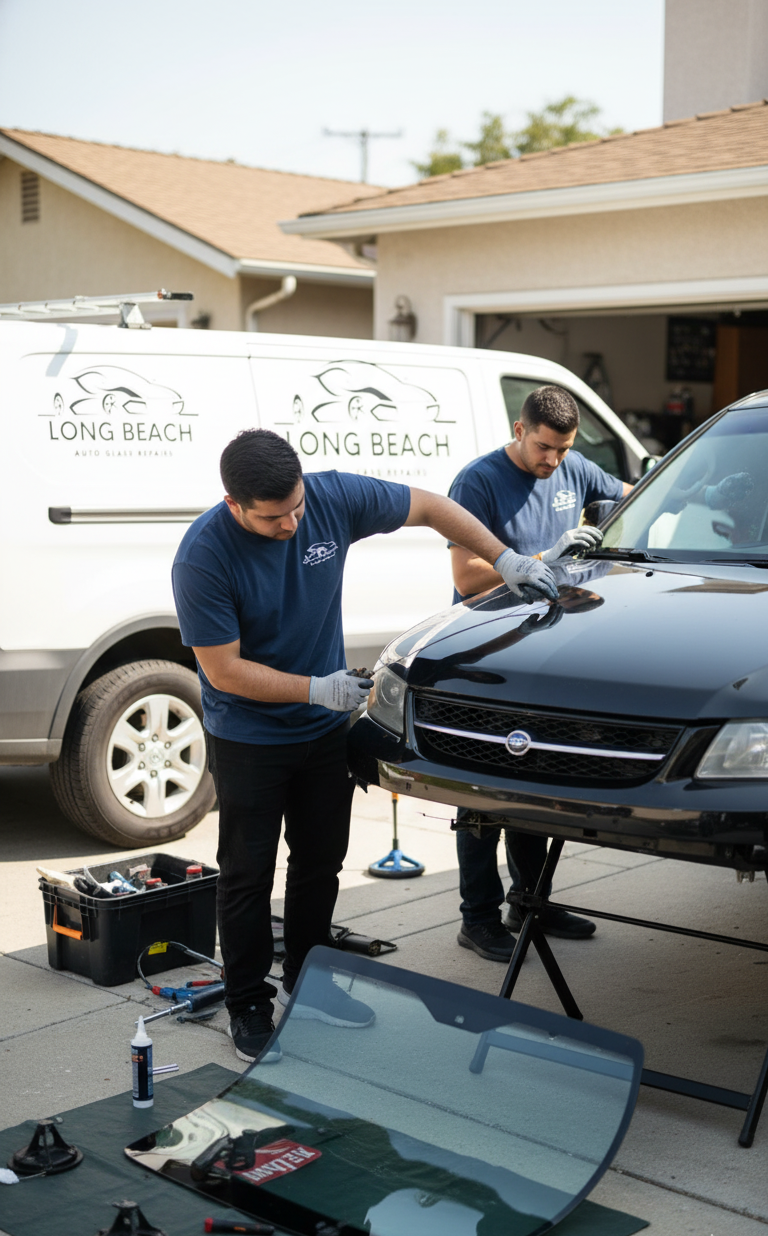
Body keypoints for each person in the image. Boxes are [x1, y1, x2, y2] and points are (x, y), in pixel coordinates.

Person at [172, 427, 559, 1060]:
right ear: (232, 504)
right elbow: (223, 671)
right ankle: (247, 1004)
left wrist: (508, 558)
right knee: (246, 875)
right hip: (249, 737)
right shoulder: (203, 557)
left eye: (296, 507)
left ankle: (308, 978)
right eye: (273, 518)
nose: (292, 523)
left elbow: (433, 507)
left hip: (323, 732)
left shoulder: (331, 499)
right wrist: (316, 690)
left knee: (321, 861)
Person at [448, 385, 633, 962]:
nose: (553, 461)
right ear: (519, 429)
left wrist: (687, 495)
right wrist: (544, 559)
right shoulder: (476, 483)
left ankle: (531, 903)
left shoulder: (574, 466)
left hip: (549, 652)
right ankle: (477, 918)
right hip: (489, 654)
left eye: (563, 449)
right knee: (481, 791)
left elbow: (633, 498)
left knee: (535, 787)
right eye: (545, 447)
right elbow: (467, 578)